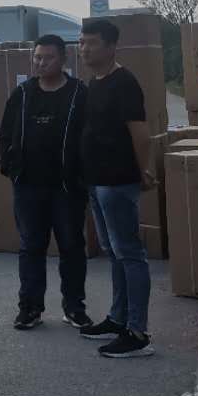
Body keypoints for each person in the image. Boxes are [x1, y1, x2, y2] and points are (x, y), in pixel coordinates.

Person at [0, 35, 92, 332]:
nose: (41, 63)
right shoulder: (23, 94)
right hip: (28, 187)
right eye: (37, 57)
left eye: (48, 58)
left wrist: (82, 175)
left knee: (72, 246)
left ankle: (74, 307)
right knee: (31, 247)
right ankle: (30, 308)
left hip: (67, 188)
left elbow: (90, 136)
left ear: (63, 59)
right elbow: (6, 134)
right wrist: (12, 169)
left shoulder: (79, 94)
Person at [76, 19, 156, 358]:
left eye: (92, 43)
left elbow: (140, 133)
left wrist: (144, 170)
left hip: (118, 181)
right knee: (114, 252)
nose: (84, 49)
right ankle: (117, 318)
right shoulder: (95, 82)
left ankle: (137, 333)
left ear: (111, 47)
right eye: (82, 42)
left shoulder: (124, 83)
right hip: (96, 181)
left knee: (130, 254)